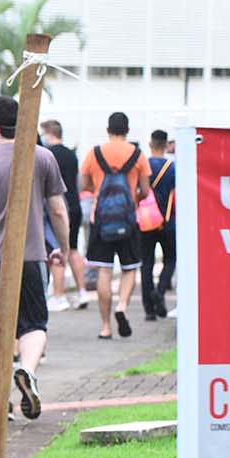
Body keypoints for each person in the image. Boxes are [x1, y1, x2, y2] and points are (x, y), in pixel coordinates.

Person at [0, 96, 70, 421]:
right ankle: (29, 370)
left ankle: (0, 399)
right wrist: (63, 246)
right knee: (34, 323)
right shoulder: (43, 158)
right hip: (32, 255)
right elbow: (58, 210)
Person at [82, 112, 154, 340]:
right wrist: (132, 199)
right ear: (127, 130)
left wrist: (100, 194)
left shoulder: (94, 154)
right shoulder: (138, 155)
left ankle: (105, 326)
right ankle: (122, 305)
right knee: (129, 268)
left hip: (100, 219)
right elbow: (145, 189)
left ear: (107, 129)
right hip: (127, 219)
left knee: (104, 269)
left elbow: (84, 184)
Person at [39, 119, 88, 311]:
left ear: (49, 133)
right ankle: (82, 291)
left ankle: (58, 296)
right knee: (73, 249)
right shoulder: (71, 155)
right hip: (75, 206)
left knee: (56, 251)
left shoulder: (48, 155)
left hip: (58, 208)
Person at [139, 129, 177, 321]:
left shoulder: (142, 165)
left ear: (150, 144)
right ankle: (160, 290)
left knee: (146, 262)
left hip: (146, 221)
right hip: (169, 221)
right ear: (165, 145)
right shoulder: (173, 167)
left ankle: (149, 310)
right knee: (170, 259)